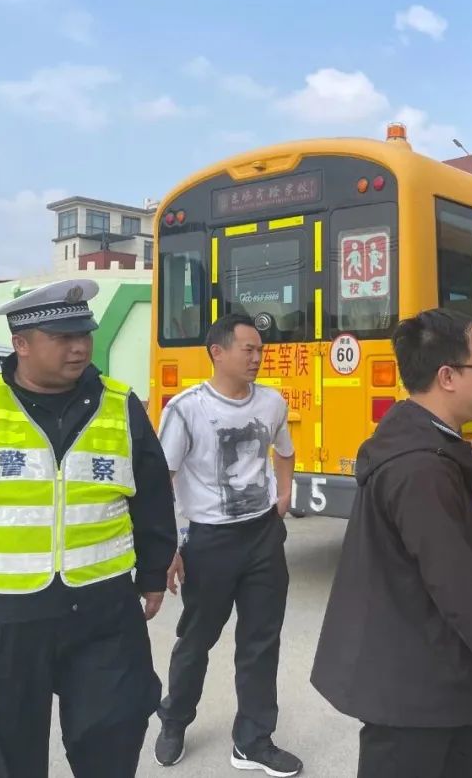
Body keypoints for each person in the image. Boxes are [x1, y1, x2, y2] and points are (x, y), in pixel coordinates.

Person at [311, 309, 472, 778]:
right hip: (407, 698)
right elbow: (460, 594)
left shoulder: (424, 443)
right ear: (448, 376)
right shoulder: (420, 472)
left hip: (442, 684)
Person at [0, 278, 177, 778]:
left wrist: (154, 572)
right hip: (2, 619)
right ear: (21, 344)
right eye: (62, 337)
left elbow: (153, 496)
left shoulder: (120, 405)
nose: (79, 347)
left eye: (84, 334)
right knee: (0, 758)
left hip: (104, 614)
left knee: (112, 744)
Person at [154, 313, 302, 777]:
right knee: (197, 638)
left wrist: (283, 497)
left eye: (260, 350)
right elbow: (164, 480)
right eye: (248, 349)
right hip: (208, 541)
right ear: (217, 352)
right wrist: (169, 549)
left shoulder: (272, 403)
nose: (257, 357)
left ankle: (254, 740)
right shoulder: (186, 408)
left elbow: (286, 450)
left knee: (261, 640)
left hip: (261, 536)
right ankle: (175, 719)